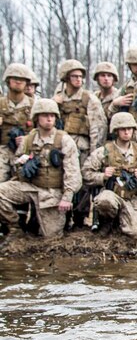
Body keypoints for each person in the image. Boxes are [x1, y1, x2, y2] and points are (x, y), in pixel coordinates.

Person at [0, 98, 82, 239]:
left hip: (52, 193)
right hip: (31, 187)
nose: (49, 119)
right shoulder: (29, 139)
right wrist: (22, 164)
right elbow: (16, 162)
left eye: (52, 116)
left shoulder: (64, 140)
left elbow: (73, 173)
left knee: (51, 237)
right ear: (37, 117)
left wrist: (67, 198)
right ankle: (15, 227)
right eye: (45, 115)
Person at [81, 112, 137, 236]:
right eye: (122, 129)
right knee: (104, 200)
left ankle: (122, 222)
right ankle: (108, 221)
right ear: (116, 131)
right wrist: (102, 176)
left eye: (129, 129)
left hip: (133, 198)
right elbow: (86, 172)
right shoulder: (104, 151)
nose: (126, 132)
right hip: (112, 194)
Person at [53, 59, 107, 162]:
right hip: (60, 149)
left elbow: (98, 130)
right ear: (66, 78)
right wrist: (55, 104)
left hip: (81, 151)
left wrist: (94, 156)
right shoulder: (57, 99)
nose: (79, 79)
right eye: (75, 76)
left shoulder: (89, 99)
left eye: (80, 76)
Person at [0, 63, 35, 183]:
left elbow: (46, 131)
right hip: (3, 151)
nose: (19, 82)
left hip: (26, 152)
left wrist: (27, 138)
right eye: (15, 79)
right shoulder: (1, 103)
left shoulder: (34, 105)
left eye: (22, 79)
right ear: (8, 81)